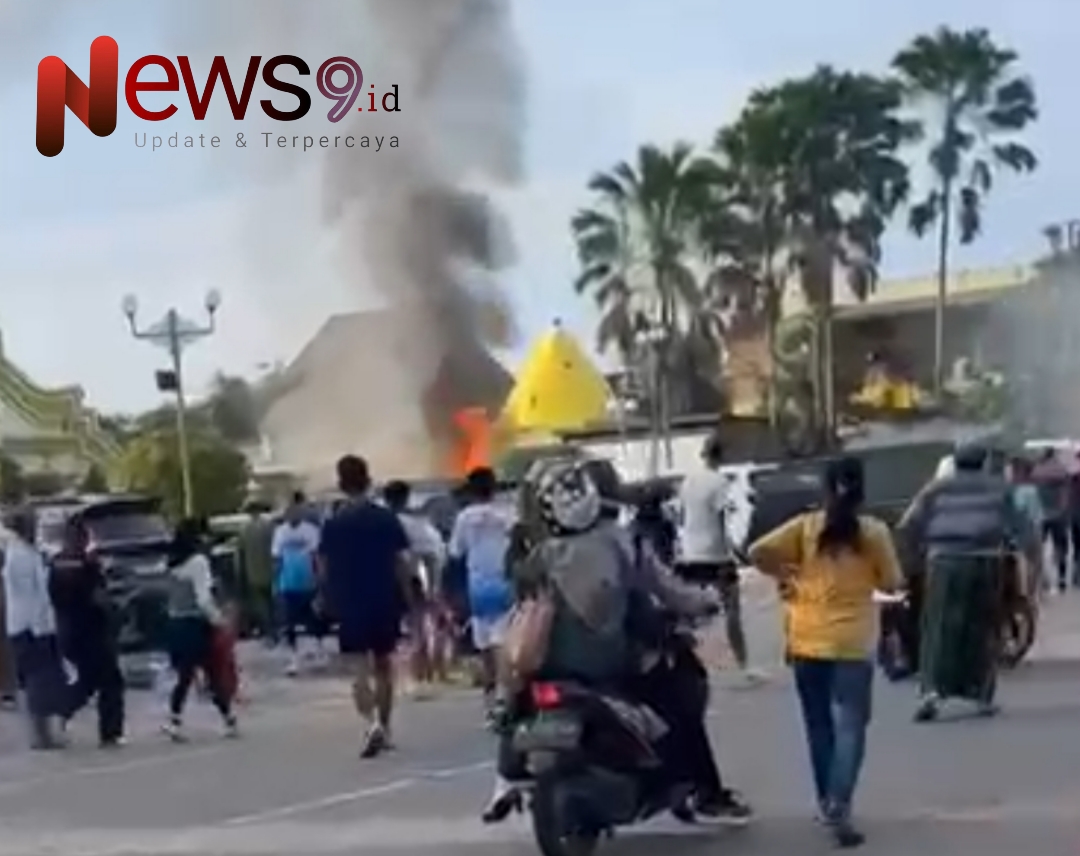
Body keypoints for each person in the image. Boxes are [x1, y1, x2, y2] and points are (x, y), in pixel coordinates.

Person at [487, 456, 751, 826]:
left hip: (545, 667)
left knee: (510, 701)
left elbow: (517, 606)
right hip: (609, 665)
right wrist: (706, 601)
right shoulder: (621, 542)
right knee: (681, 704)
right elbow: (669, 591)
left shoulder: (535, 554)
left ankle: (506, 778)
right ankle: (704, 791)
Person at [749, 456, 902, 848]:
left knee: (819, 726)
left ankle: (825, 801)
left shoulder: (805, 527)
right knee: (851, 727)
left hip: (806, 640)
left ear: (825, 487)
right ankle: (839, 802)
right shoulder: (874, 533)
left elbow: (756, 551)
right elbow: (894, 581)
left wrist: (786, 575)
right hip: (854, 643)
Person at [898, 442, 1037, 724]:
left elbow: (909, 524)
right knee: (982, 628)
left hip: (944, 563)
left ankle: (931, 694)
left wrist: (914, 556)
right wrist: (1031, 561)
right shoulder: (999, 488)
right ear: (984, 462)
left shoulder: (935, 489)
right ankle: (981, 696)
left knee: (938, 627)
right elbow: (1023, 528)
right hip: (986, 562)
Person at [318, 455, 414, 759]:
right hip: (384, 598)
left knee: (359, 668)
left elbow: (322, 566)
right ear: (368, 480)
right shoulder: (386, 519)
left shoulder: (334, 524)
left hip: (350, 601)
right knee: (384, 666)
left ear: (341, 484)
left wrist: (325, 596)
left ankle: (371, 722)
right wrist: (409, 597)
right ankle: (384, 727)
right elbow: (402, 563)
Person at [676, 432, 763, 685]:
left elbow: (682, 517)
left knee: (688, 615)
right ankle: (745, 667)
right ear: (722, 456)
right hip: (715, 556)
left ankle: (686, 666)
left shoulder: (688, 481)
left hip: (690, 554)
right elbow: (725, 520)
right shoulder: (720, 483)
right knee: (732, 611)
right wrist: (736, 551)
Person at [50, 517, 125, 748]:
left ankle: (62, 712)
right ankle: (110, 732)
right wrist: (114, 615)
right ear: (82, 537)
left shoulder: (55, 564)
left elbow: (52, 596)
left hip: (68, 630)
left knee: (89, 680)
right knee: (111, 682)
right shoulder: (88, 564)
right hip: (93, 630)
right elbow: (99, 598)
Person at [161, 518, 238, 741]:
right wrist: (219, 620)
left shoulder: (171, 562)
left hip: (175, 623)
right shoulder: (198, 562)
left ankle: (174, 720)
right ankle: (228, 719)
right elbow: (203, 599)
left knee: (184, 676)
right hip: (195, 624)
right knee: (212, 674)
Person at [448, 467, 514, 720]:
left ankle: (489, 701)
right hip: (507, 584)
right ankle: (502, 697)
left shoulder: (465, 518)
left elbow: (455, 552)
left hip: (477, 588)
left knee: (485, 647)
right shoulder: (509, 514)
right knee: (504, 645)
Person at [3, 509, 67, 750]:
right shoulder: (19, 556)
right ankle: (40, 736)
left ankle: (44, 732)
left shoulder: (30, 552)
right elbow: (29, 595)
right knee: (36, 680)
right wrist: (40, 626)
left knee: (43, 680)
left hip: (38, 625)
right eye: (32, 525)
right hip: (29, 627)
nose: (35, 529)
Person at [383, 480, 448, 695]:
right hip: (411, 580)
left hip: (390, 581)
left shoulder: (385, 521)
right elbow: (432, 554)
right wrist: (434, 585)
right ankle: (420, 674)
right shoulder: (415, 524)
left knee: (403, 631)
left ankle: (405, 675)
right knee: (417, 628)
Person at [271, 493, 326, 676]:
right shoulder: (280, 532)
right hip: (288, 583)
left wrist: (320, 579)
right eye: (289, 512)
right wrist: (276, 582)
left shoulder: (310, 531)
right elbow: (277, 558)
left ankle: (318, 649)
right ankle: (294, 658)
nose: (293, 515)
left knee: (314, 619)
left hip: (308, 581)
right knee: (290, 622)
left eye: (296, 512)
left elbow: (317, 557)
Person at [1031, 447, 1070, 592]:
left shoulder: (1036, 470)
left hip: (1041, 515)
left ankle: (1041, 579)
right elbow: (1065, 493)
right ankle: (1061, 577)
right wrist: (1063, 509)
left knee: (1038, 547)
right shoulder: (1061, 470)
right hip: (1058, 514)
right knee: (1060, 546)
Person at [237, 502, 276, 643]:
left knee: (261, 605)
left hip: (253, 572)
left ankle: (269, 632)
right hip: (271, 571)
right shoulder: (270, 527)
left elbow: (240, 553)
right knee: (272, 603)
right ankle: (275, 630)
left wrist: (240, 572)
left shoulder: (244, 529)